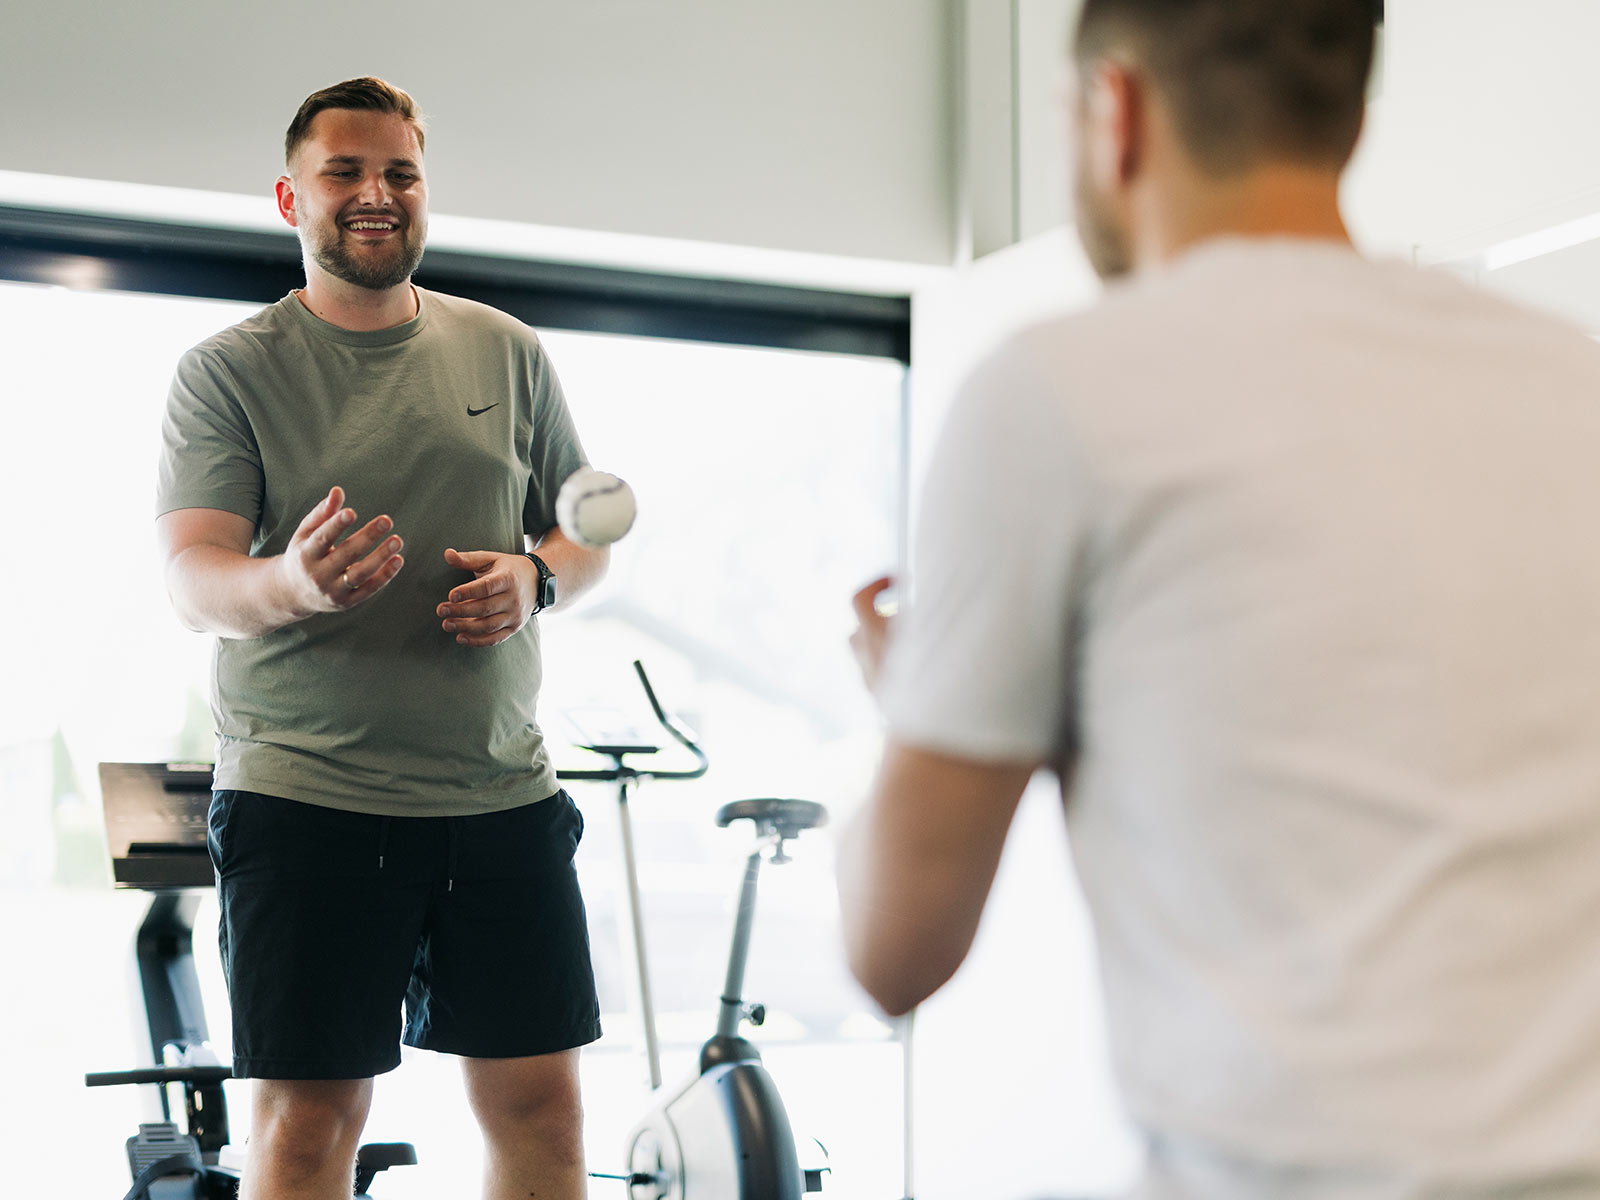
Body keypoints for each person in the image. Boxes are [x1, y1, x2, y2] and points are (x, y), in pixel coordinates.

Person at [840, 1, 1600, 1196]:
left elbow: (893, 952)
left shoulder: (1058, 389)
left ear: (1117, 112)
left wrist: (916, 696)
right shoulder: (1572, 383)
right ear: (1348, 115)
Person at [155, 77, 606, 1200]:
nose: (375, 194)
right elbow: (193, 576)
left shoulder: (504, 350)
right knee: (308, 1130)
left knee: (544, 1114)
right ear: (289, 198)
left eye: (398, 172)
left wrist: (536, 576)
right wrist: (293, 585)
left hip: (499, 794)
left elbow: (583, 530)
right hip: (309, 800)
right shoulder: (230, 370)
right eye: (344, 173)